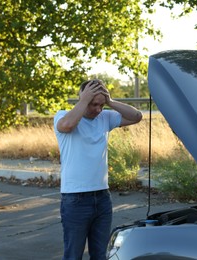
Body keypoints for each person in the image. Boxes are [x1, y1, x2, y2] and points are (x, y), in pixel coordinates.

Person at [53, 79, 143, 260]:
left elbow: (136, 117)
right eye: (93, 104)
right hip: (75, 199)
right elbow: (67, 126)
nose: (98, 109)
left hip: (102, 198)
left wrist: (110, 102)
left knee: (101, 255)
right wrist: (84, 101)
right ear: (82, 98)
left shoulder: (105, 118)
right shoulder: (63, 115)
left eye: (101, 105)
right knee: (73, 255)